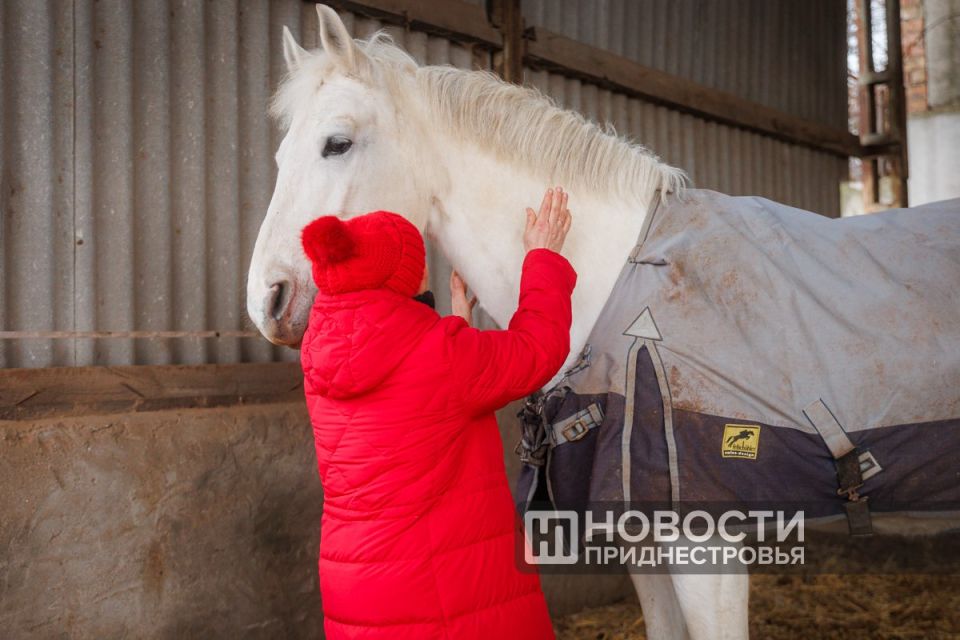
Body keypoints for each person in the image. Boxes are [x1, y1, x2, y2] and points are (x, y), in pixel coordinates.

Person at [299, 187, 575, 640]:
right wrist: (542, 257)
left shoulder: (319, 355)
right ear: (403, 274)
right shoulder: (441, 356)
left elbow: (420, 412)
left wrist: (455, 327)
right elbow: (536, 350)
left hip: (358, 587)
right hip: (444, 588)